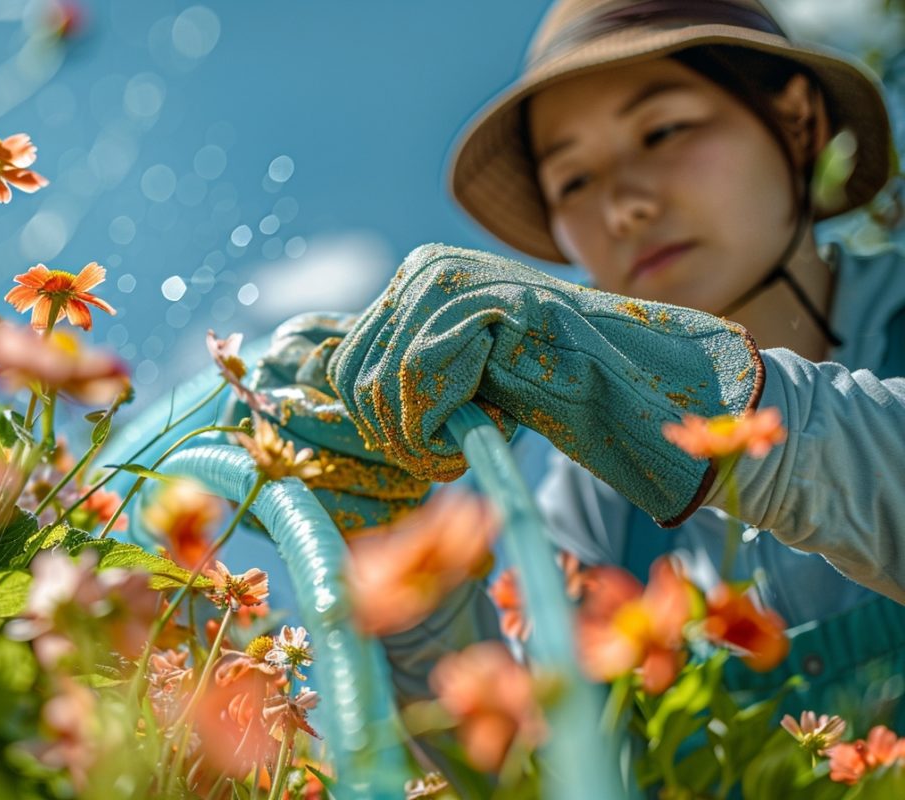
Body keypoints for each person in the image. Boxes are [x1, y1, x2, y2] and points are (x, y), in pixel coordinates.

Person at [248, 0, 905, 733]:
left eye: (663, 131)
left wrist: (688, 399)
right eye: (573, 183)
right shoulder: (601, 502)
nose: (623, 205)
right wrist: (396, 565)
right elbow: (544, 756)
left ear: (797, 121)